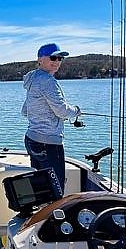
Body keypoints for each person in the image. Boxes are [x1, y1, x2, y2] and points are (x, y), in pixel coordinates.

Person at [21, 43, 81, 194]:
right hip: (48, 143)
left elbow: (25, 111)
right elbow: (61, 111)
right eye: (53, 57)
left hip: (32, 140)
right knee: (56, 189)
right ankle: (53, 216)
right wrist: (76, 111)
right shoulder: (48, 81)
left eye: (60, 58)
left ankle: (38, 215)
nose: (57, 61)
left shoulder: (33, 78)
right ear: (40, 59)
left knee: (39, 185)